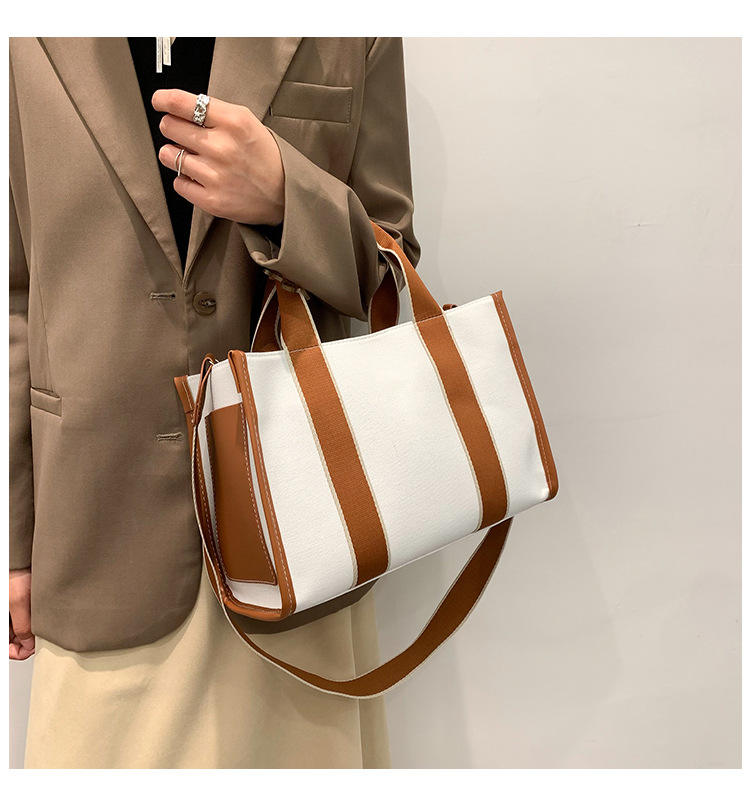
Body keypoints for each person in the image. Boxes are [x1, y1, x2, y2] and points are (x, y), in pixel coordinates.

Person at [9, 36, 419, 769]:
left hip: (294, 538)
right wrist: (14, 532)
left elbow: (389, 271)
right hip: (96, 526)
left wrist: (287, 197)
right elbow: (16, 295)